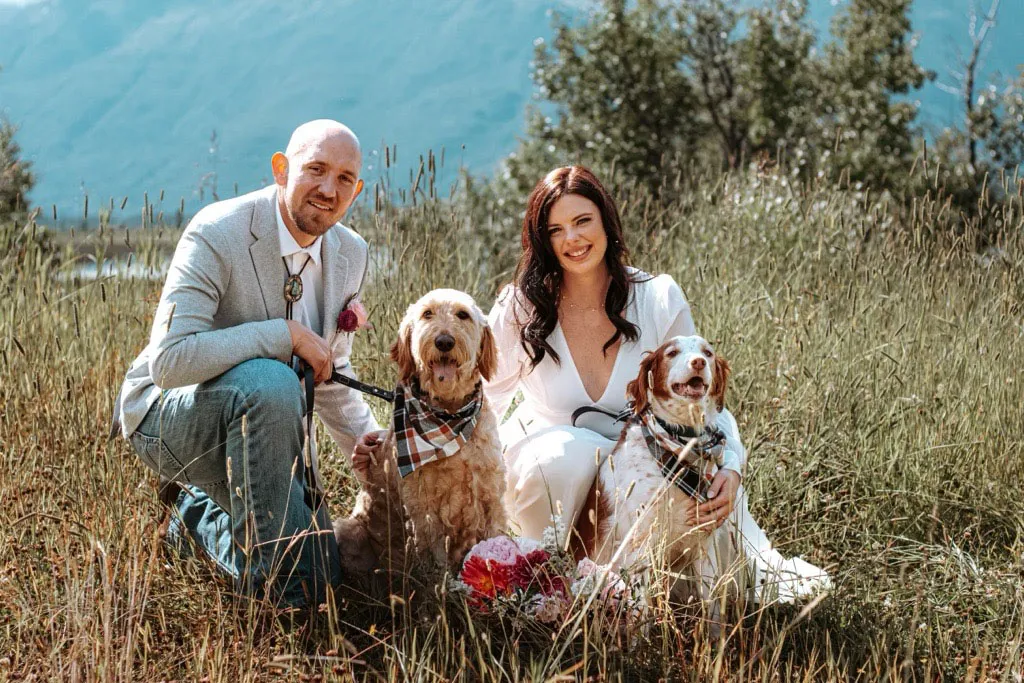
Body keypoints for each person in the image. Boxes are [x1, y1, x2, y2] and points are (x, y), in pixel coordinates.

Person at [485, 166, 829, 603]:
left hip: (658, 459)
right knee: (564, 457)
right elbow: (486, 401)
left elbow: (704, 400)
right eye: (556, 229)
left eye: (583, 221)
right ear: (542, 240)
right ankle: (549, 583)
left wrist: (731, 466)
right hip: (554, 462)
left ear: (606, 220)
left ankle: (649, 597)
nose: (572, 238)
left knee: (730, 586)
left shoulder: (657, 296)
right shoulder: (521, 306)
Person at [114, 119, 383, 609]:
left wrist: (375, 457)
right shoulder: (218, 230)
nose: (329, 189)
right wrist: (283, 335)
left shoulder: (352, 252)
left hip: (270, 429)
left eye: (344, 178)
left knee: (325, 569)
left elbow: (330, 370)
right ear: (281, 169)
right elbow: (169, 362)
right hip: (169, 415)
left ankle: (193, 517)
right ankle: (275, 600)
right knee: (270, 381)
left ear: (357, 190)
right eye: (316, 169)